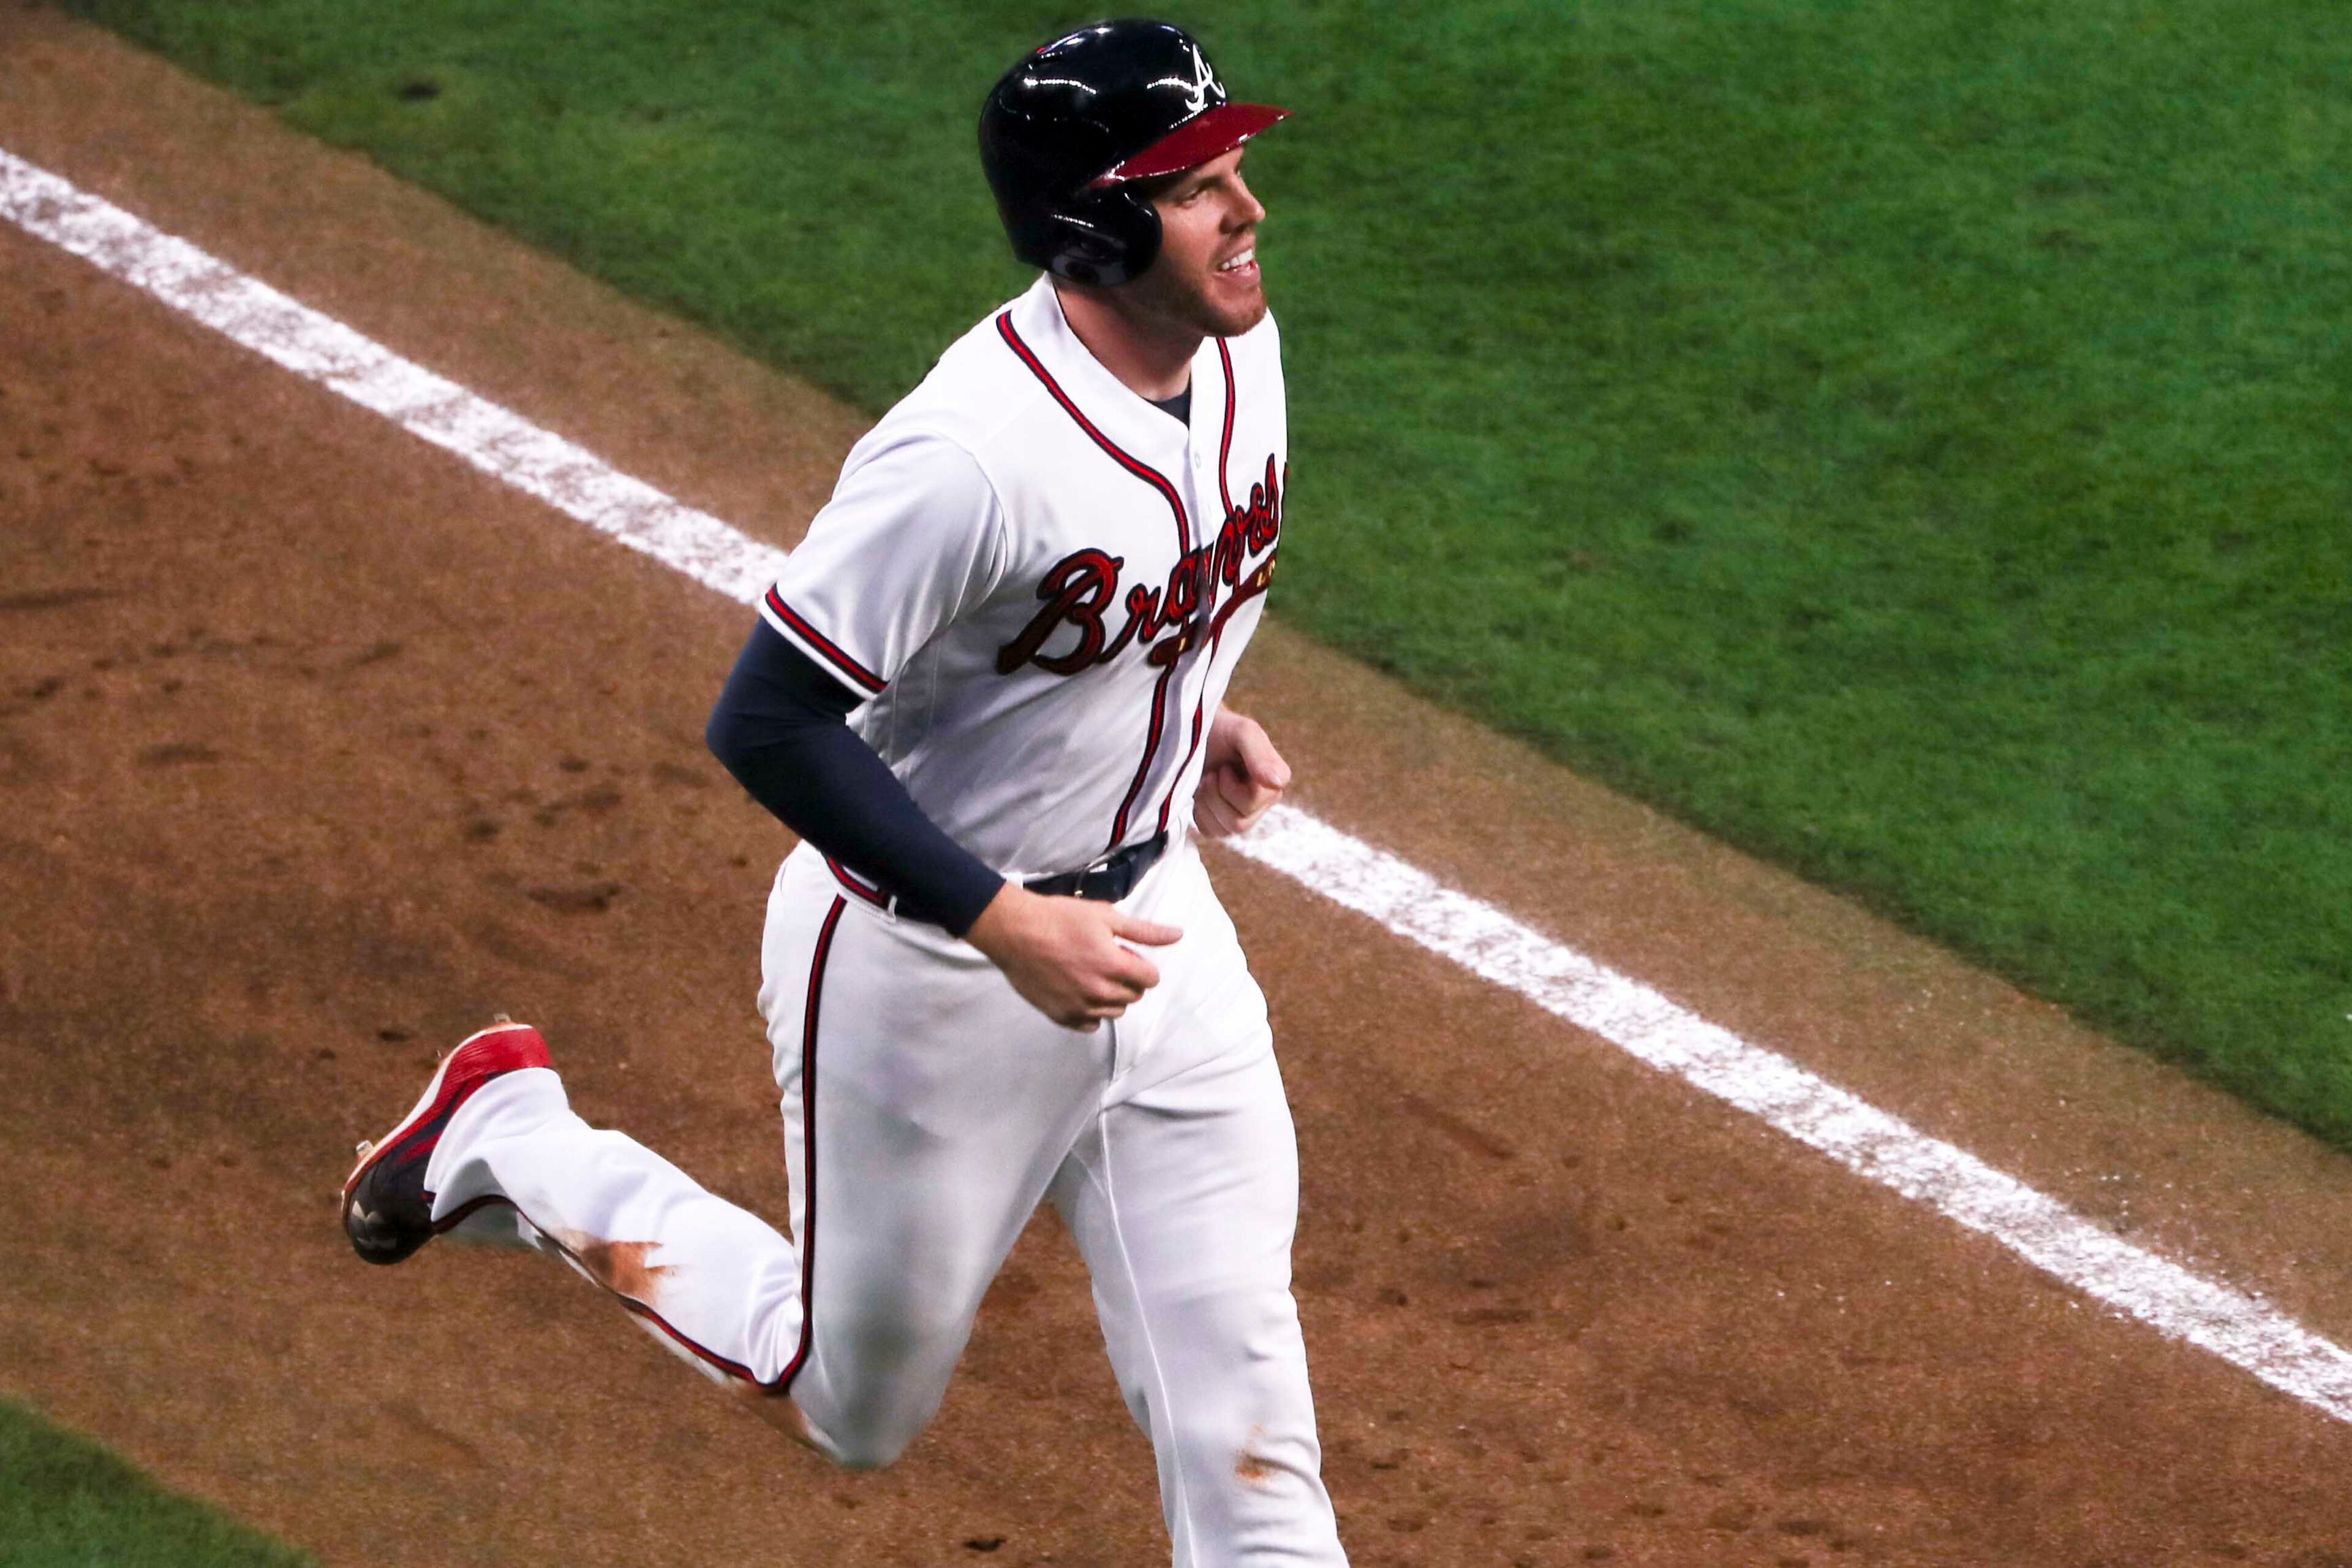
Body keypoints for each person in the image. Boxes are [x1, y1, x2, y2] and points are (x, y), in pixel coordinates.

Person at [340, 18, 1347, 1563]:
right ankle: (507, 1132)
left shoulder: (1240, 349)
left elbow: (1139, 587)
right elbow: (770, 720)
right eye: (1193, 184)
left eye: (1232, 168)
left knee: (1245, 1418)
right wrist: (1003, 915)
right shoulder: (968, 454)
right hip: (927, 961)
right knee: (851, 1398)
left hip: (1161, 938)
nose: (1244, 208)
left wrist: (1174, 703)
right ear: (1093, 221)